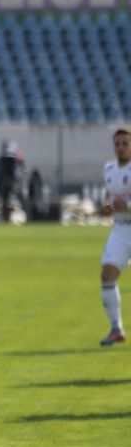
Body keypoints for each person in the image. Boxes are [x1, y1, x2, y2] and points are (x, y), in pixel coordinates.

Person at [97, 128, 131, 346]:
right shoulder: (109, 168)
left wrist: (127, 206)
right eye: (117, 144)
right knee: (107, 275)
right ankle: (116, 329)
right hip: (121, 230)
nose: (121, 148)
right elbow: (109, 193)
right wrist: (107, 205)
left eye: (125, 143)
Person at [0, 139, 26, 223]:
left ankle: (6, 218)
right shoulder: (5, 159)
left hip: (8, 183)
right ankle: (6, 218)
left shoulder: (3, 159)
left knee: (6, 202)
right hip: (10, 183)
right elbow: (22, 171)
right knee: (6, 202)